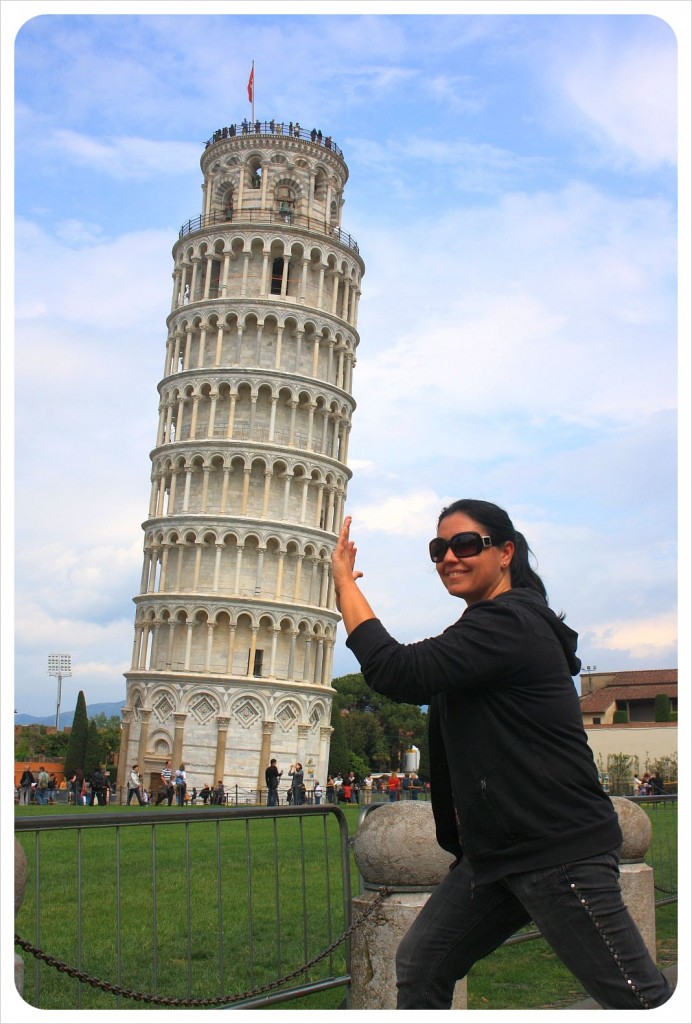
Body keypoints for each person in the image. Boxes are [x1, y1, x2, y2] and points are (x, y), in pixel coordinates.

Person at [331, 504, 673, 1011]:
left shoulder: (510, 624)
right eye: (438, 549)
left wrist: (345, 586)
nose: (449, 557)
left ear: (505, 552)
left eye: (466, 544)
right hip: (499, 855)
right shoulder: (485, 627)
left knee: (637, 999)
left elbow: (397, 671)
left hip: (557, 848)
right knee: (422, 964)